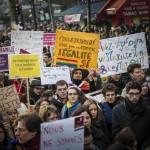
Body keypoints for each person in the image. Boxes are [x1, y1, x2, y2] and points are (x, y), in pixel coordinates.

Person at [112, 81, 150, 150]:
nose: (134, 97)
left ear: (140, 93)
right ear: (126, 94)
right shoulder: (117, 110)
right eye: (131, 94)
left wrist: (145, 146)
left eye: (137, 94)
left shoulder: (147, 110)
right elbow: (116, 132)